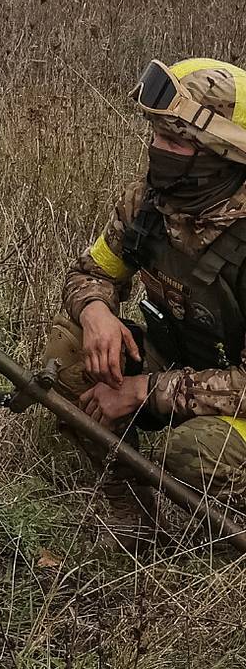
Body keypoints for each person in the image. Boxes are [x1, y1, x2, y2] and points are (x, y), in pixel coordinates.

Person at [44, 57, 246, 507]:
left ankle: (221, 550)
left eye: (173, 139)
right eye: (154, 134)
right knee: (69, 347)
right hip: (181, 358)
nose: (154, 148)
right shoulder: (148, 202)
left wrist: (146, 392)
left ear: (221, 150)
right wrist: (95, 312)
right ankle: (127, 508)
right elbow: (90, 272)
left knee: (195, 453)